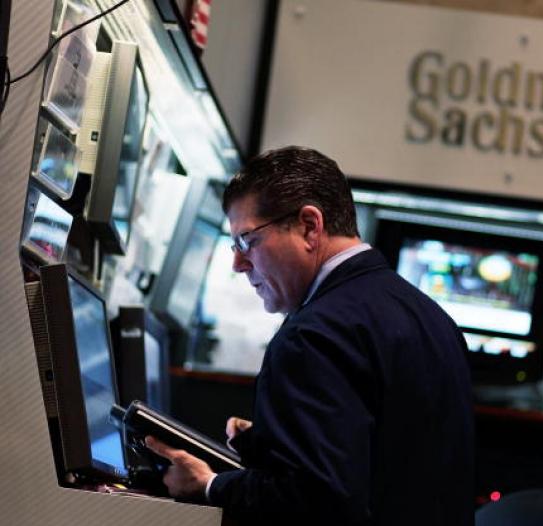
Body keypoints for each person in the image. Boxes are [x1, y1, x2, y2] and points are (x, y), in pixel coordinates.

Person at [146, 146, 475, 525]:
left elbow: (313, 502)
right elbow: (392, 458)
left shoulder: (314, 335)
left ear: (308, 226)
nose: (237, 263)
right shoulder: (430, 317)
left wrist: (209, 485)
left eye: (246, 241)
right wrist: (277, 440)